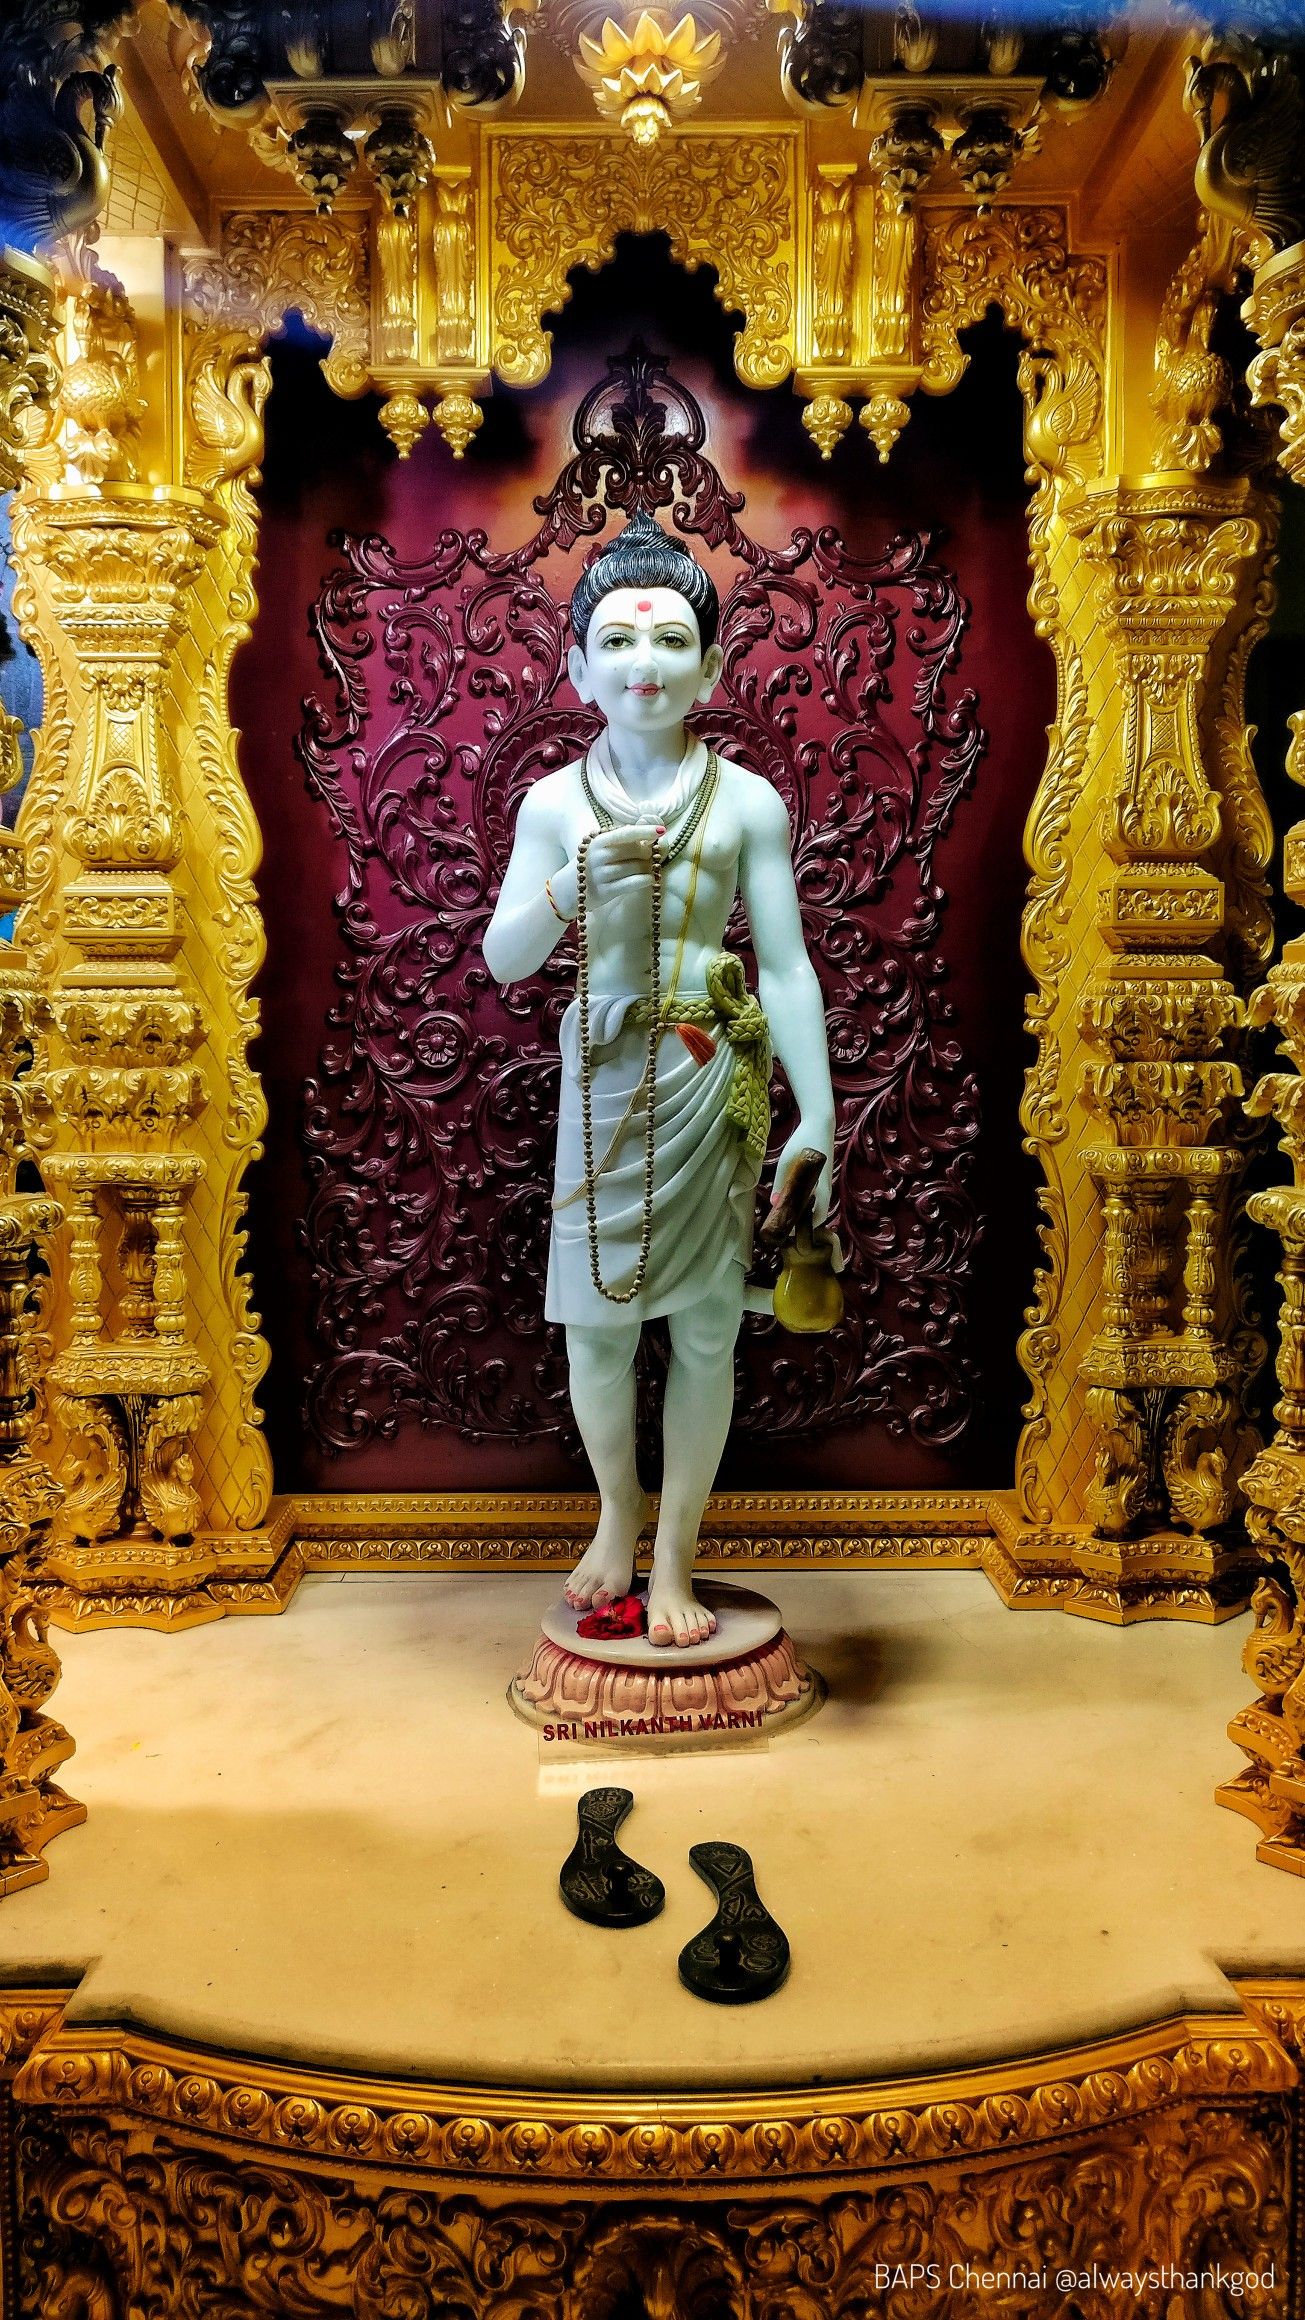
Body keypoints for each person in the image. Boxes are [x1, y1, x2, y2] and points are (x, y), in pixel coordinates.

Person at [483, 512, 834, 1646]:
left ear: (713, 667)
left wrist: (817, 1113)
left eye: (672, 640)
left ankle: (676, 1552)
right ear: (578, 668)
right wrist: (572, 884)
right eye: (620, 641)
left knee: (704, 1332)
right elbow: (505, 959)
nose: (646, 662)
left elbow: (784, 966)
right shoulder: (553, 804)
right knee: (595, 1333)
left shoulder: (744, 801)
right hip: (599, 1081)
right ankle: (616, 1515)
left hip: (704, 1074)